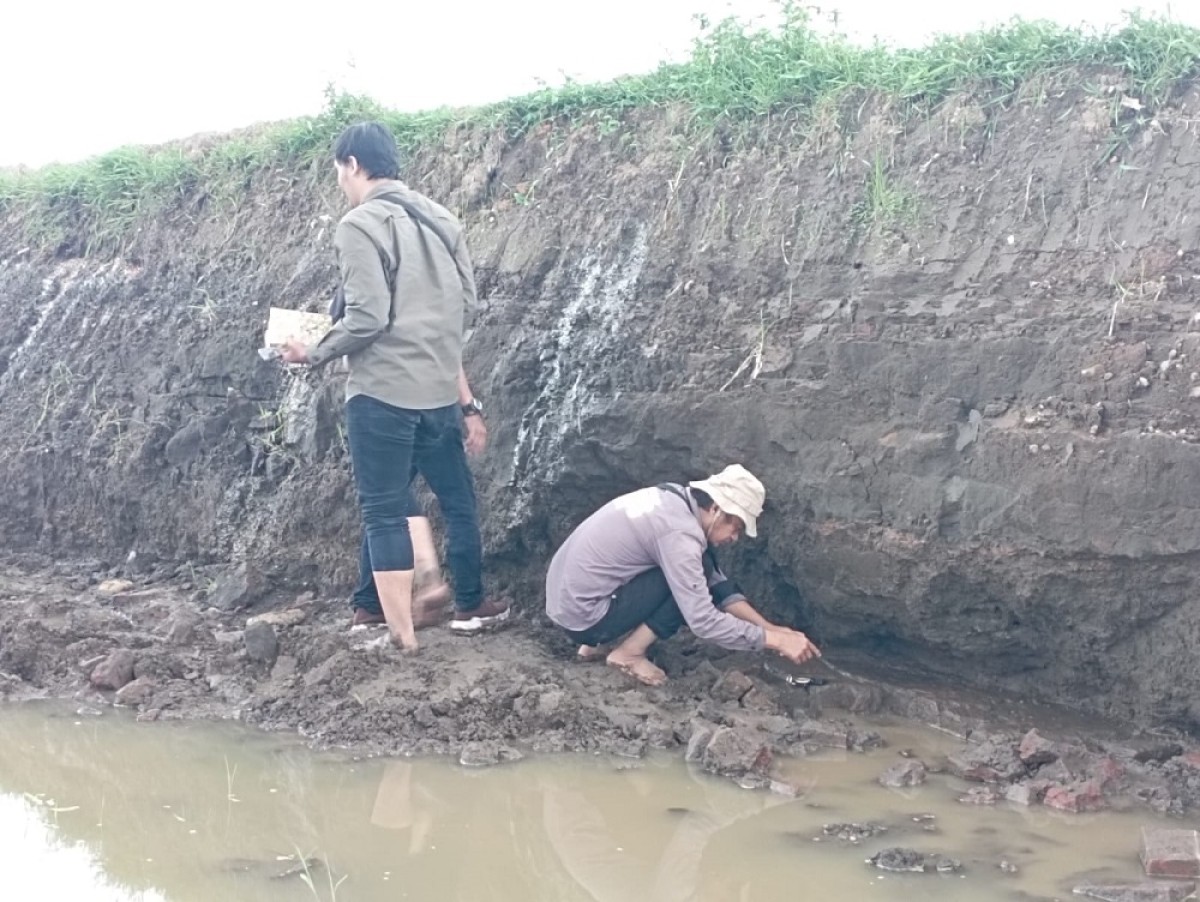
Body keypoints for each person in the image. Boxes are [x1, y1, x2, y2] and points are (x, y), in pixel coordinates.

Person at [281, 120, 509, 652]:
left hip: (383, 394)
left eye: (339, 170)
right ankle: (397, 601)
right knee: (431, 501)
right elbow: (468, 306)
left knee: (384, 511)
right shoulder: (442, 220)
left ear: (353, 165)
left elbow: (367, 318)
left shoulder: (359, 224)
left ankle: (401, 637)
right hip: (436, 397)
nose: (340, 180)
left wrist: (310, 352)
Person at [544, 464, 820, 685]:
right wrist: (773, 641)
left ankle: (592, 647)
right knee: (685, 588)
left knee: (692, 572)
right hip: (584, 618)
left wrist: (770, 628)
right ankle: (627, 654)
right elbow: (702, 620)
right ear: (715, 509)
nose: (735, 538)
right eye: (735, 527)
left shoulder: (673, 499)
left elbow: (717, 582)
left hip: (566, 604)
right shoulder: (680, 537)